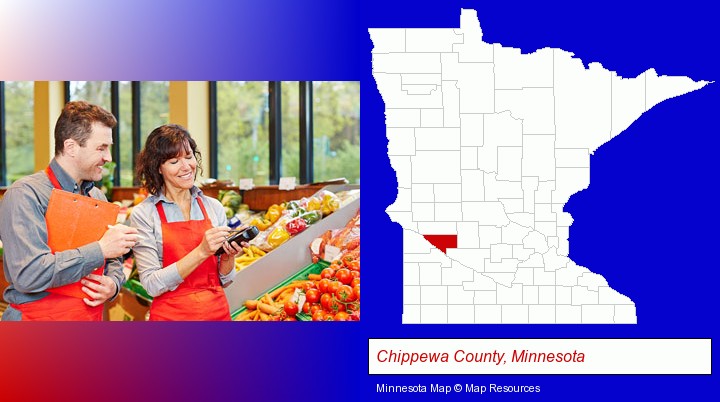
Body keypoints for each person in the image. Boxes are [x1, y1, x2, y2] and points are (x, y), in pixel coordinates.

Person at [0, 101, 139, 321]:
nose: (109, 157)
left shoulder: (98, 197)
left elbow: (113, 259)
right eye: (101, 148)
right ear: (71, 147)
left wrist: (113, 284)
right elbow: (29, 274)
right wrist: (100, 249)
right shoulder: (25, 194)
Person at [130, 124, 242, 321]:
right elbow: (151, 284)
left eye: (189, 157)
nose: (186, 167)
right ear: (158, 167)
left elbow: (225, 279)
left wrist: (227, 257)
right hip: (171, 318)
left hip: (217, 314)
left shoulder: (213, 207)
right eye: (174, 161)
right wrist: (201, 251)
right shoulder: (144, 214)